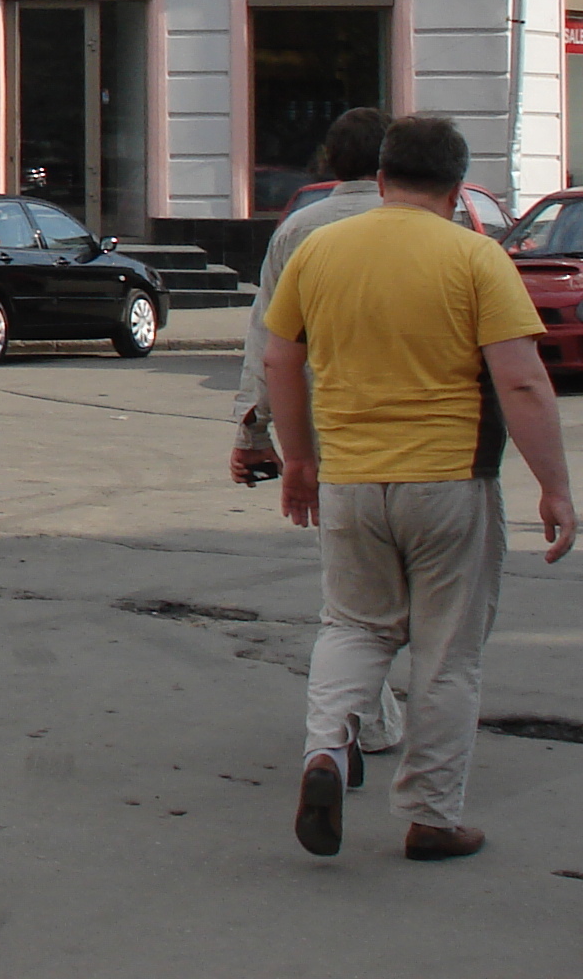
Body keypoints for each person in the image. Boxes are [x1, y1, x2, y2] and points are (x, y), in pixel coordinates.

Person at [264, 112, 575, 862]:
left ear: (380, 178)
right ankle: (432, 817)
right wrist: (555, 489)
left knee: (352, 626)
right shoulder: (476, 257)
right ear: (456, 186)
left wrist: (299, 463)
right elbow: (523, 381)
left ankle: (327, 754)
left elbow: (280, 363)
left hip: (349, 481)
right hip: (450, 483)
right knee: (446, 652)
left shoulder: (319, 248)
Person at [232, 110, 406, 767]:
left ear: (331, 162)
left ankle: (357, 717)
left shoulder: (300, 230)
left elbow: (266, 342)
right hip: (429, 435)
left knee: (351, 590)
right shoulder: (435, 227)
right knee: (427, 582)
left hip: (329, 430)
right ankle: (381, 724)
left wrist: (255, 430)